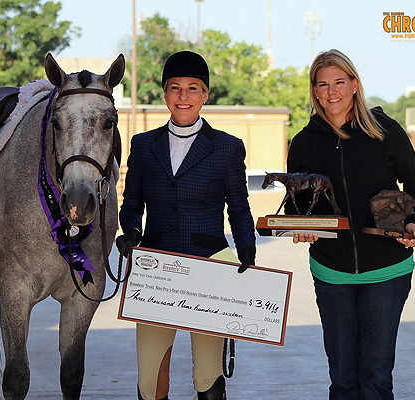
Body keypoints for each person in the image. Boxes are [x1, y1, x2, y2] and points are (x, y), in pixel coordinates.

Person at [287, 49, 415, 399]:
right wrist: (301, 228)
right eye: (323, 84)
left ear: (354, 84)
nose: (331, 91)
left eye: (339, 82)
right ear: (314, 90)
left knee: (376, 377)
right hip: (331, 271)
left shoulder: (385, 131)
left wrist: (410, 222)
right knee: (343, 381)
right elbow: (300, 207)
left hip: (387, 270)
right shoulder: (303, 143)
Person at [116, 50, 256, 400]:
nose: (183, 96)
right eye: (175, 88)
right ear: (165, 94)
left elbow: (239, 208)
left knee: (206, 376)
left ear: (205, 95)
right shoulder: (143, 145)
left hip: (210, 264)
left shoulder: (226, 147)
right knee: (149, 382)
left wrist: (247, 250)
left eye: (193, 88)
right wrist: (131, 232)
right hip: (156, 267)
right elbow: (131, 205)